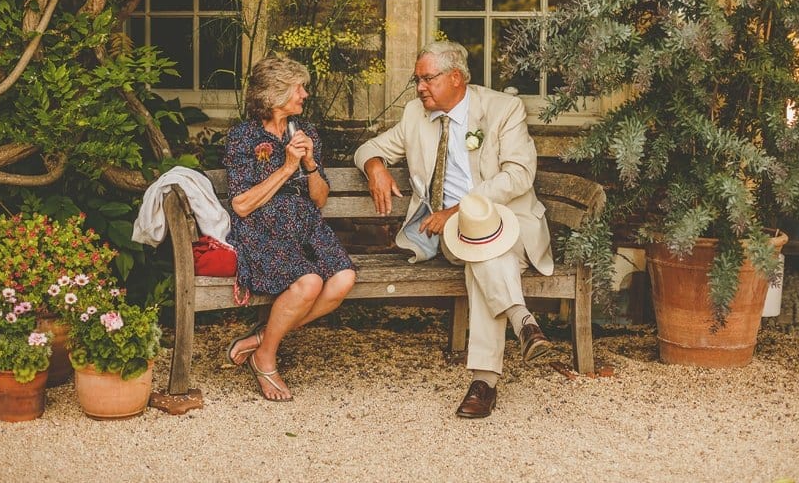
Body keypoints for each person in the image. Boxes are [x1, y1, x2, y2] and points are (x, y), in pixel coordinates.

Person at [354, 40, 554, 418]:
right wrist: (375, 167)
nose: (419, 88)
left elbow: (519, 174)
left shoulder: (501, 109)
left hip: (508, 225)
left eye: (427, 79)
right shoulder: (416, 115)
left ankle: (486, 382)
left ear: (456, 78)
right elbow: (368, 148)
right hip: (450, 234)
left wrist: (461, 209)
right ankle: (520, 324)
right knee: (478, 248)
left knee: (485, 258)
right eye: (417, 80)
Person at [224, 54, 356, 402]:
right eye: (299, 88)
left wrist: (310, 164)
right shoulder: (243, 137)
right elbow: (241, 204)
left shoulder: (305, 132)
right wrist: (286, 167)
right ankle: (266, 359)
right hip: (262, 228)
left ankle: (261, 339)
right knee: (309, 283)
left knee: (344, 279)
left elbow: (320, 199)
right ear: (276, 92)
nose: (305, 95)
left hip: (306, 224)